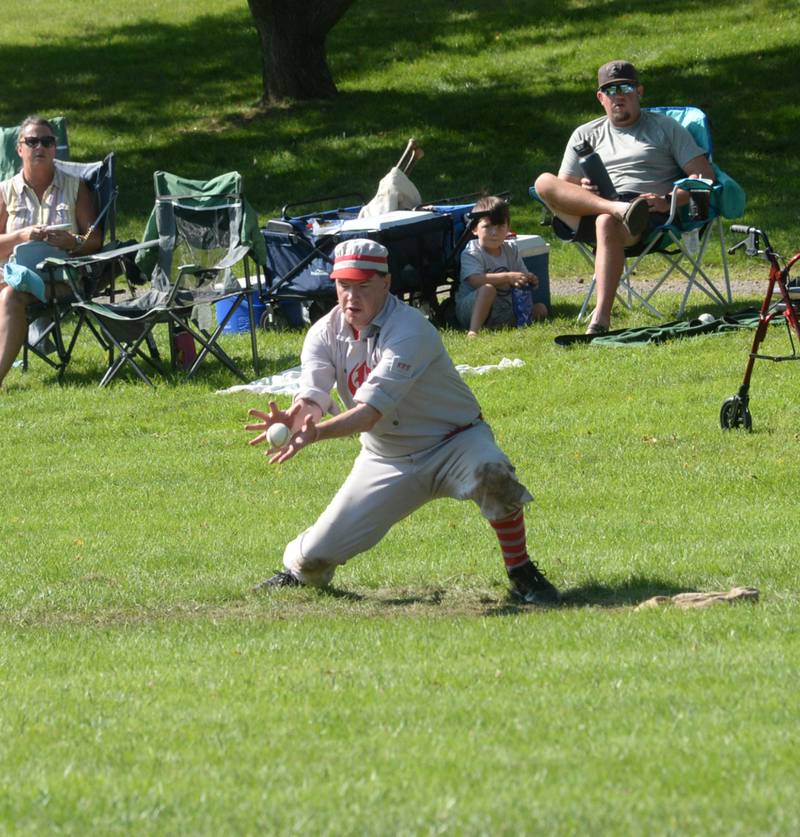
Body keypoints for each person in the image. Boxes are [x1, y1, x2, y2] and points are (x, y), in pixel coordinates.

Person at [246, 238, 560, 605]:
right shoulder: (323, 333)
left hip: (454, 442)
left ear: (386, 282)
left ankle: (521, 571)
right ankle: (295, 571)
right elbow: (315, 394)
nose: (351, 296)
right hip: (386, 457)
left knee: (493, 472)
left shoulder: (411, 329)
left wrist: (315, 434)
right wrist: (299, 415)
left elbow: (370, 412)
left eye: (363, 285)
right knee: (312, 558)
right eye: (344, 285)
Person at [534, 60, 715, 334]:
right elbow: (562, 188)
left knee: (606, 221)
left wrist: (668, 201)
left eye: (626, 87)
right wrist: (582, 190)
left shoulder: (666, 128)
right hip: (592, 207)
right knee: (543, 182)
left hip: (644, 212)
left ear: (639, 91)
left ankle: (601, 319)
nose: (618, 95)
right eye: (610, 89)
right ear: (600, 97)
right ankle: (616, 208)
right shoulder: (585, 134)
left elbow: (705, 176)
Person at [0, 115, 101, 386]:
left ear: (55, 148)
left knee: (10, 295)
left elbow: (95, 238)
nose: (40, 148)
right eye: (32, 141)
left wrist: (73, 241)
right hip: (13, 274)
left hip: (60, 281)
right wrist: (21, 235)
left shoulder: (74, 186)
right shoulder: (5, 191)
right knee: (9, 290)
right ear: (19, 149)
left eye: (47, 141)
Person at [456, 195, 547, 337]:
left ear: (508, 228)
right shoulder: (472, 251)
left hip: (504, 308)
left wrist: (529, 279)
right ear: (474, 229)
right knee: (487, 289)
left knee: (541, 309)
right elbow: (474, 280)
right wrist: (507, 277)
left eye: (500, 226)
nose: (494, 233)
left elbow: (520, 276)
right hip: (472, 310)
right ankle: (474, 331)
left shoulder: (511, 249)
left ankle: (501, 325)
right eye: (487, 226)